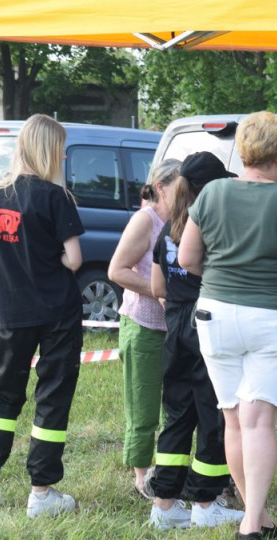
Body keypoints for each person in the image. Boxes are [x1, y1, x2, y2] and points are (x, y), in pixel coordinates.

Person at [178, 111, 277, 540]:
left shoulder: (213, 194)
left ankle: (255, 515)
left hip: (215, 315)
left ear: (242, 150)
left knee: (232, 419)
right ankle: (251, 527)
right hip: (272, 318)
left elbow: (188, 259)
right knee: (259, 421)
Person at [0, 114, 84, 518]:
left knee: (4, 388)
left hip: (11, 307)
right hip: (57, 311)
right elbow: (75, 259)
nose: (65, 155)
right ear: (49, 149)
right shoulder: (56, 197)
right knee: (52, 393)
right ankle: (42, 491)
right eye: (61, 147)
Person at [147, 152, 243, 530]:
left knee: (176, 414)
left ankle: (165, 505)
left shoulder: (167, 226)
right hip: (207, 322)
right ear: (209, 189)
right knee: (212, 413)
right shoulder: (213, 225)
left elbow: (157, 286)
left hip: (175, 326)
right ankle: (206, 503)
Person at [108, 158, 181, 500]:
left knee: (175, 404)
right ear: (162, 187)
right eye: (181, 189)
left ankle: (165, 472)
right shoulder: (145, 220)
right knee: (143, 405)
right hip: (143, 325)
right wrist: (159, 290)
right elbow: (117, 271)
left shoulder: (181, 220)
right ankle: (141, 479)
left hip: (174, 328)